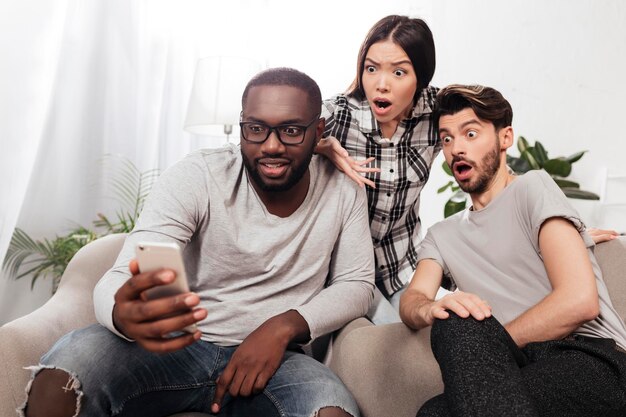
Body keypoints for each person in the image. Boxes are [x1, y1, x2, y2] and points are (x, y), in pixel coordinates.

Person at [21, 67, 374, 417]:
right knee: (64, 372)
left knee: (331, 412)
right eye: (256, 129)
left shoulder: (343, 192)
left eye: (291, 131)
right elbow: (126, 271)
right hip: (177, 346)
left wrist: (282, 327)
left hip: (280, 363)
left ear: (318, 131)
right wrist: (122, 313)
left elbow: (356, 284)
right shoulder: (200, 175)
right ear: (241, 128)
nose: (271, 146)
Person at [400, 84, 626, 416]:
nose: (456, 148)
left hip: (592, 358)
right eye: (447, 139)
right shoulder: (442, 235)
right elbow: (413, 299)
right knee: (453, 326)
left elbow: (580, 302)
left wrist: (490, 343)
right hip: (517, 367)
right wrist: (429, 308)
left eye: (471, 134)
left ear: (505, 138)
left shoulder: (533, 189)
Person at [316, 15, 439, 324]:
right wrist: (317, 145)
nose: (381, 85)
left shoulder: (436, 111)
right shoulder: (339, 114)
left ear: (420, 78)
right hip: (341, 272)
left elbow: (488, 130)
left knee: (432, 337)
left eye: (399, 72)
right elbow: (269, 131)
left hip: (401, 266)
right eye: (371, 69)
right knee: (389, 339)